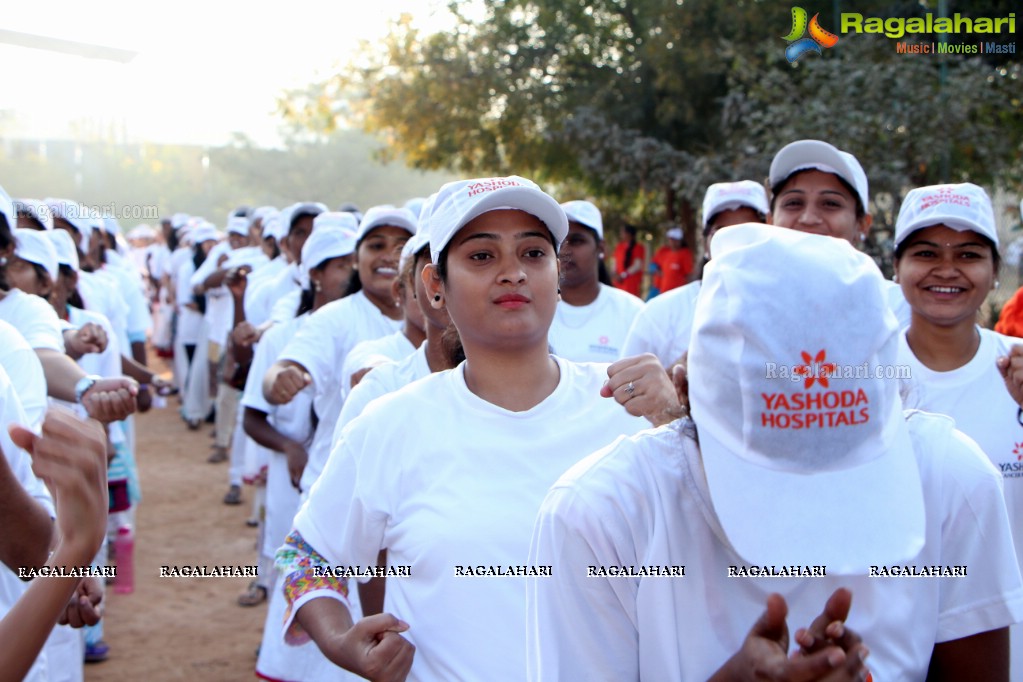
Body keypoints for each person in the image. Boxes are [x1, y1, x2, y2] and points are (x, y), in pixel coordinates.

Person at [528, 223, 1023, 681]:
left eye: (839, 461)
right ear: (688, 388)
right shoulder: (602, 515)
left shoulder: (952, 479)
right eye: (767, 464)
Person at [275, 176, 662, 681]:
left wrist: (677, 421)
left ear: (557, 276)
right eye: (482, 256)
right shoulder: (394, 424)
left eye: (533, 253)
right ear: (436, 287)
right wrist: (343, 642)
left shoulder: (624, 412)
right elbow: (306, 555)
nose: (513, 273)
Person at [890, 182, 1023, 678]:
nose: (946, 270)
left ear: (993, 274)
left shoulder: (1018, 370)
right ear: (898, 268)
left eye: (968, 254)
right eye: (926, 253)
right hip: (889, 651)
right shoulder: (858, 383)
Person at [262, 205, 416, 494]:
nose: (388, 256)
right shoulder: (335, 318)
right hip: (338, 493)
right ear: (357, 258)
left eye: (402, 247)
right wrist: (280, 379)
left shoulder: (439, 319)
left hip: (406, 492)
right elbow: (281, 370)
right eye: (376, 245)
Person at [622, 180, 768, 368]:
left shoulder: (791, 309)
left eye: (749, 231)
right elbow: (624, 390)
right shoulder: (660, 314)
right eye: (722, 232)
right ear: (706, 243)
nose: (736, 242)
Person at [767, 139, 911, 327]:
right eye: (793, 203)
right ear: (770, 221)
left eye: (830, 203)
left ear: (862, 224)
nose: (809, 218)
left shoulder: (895, 310)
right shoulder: (735, 299)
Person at [547, 200, 642, 362]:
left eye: (577, 241)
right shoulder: (534, 311)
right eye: (558, 242)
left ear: (601, 248)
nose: (565, 250)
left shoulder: (634, 313)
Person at [649, 226, 692, 295]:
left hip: (677, 293)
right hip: (662, 291)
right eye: (670, 239)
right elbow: (653, 265)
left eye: (674, 240)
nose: (671, 242)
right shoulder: (665, 251)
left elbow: (688, 275)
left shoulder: (685, 253)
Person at [612, 224, 645, 297]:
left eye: (622, 232)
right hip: (618, 282)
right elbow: (615, 262)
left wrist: (623, 275)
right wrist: (614, 273)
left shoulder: (638, 247)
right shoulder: (619, 246)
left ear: (629, 234)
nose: (620, 234)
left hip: (630, 283)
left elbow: (637, 266)